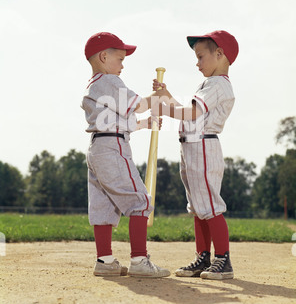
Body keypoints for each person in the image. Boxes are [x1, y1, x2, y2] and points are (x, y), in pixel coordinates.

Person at [81, 32, 170, 278]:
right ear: (103, 56)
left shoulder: (94, 85)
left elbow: (118, 120)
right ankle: (139, 260)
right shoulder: (110, 81)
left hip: (98, 147)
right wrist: (158, 96)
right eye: (119, 58)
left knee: (103, 206)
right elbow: (139, 104)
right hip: (113, 148)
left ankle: (105, 260)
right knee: (140, 201)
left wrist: (143, 123)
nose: (122, 65)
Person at [152, 30, 239, 280]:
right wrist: (166, 95)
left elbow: (191, 113)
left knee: (210, 205)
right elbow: (190, 110)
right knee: (199, 207)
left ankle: (223, 259)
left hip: (203, 147)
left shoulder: (218, 84)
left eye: (201, 56)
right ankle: (203, 257)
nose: (197, 62)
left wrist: (164, 108)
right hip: (191, 146)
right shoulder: (210, 84)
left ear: (220, 54)